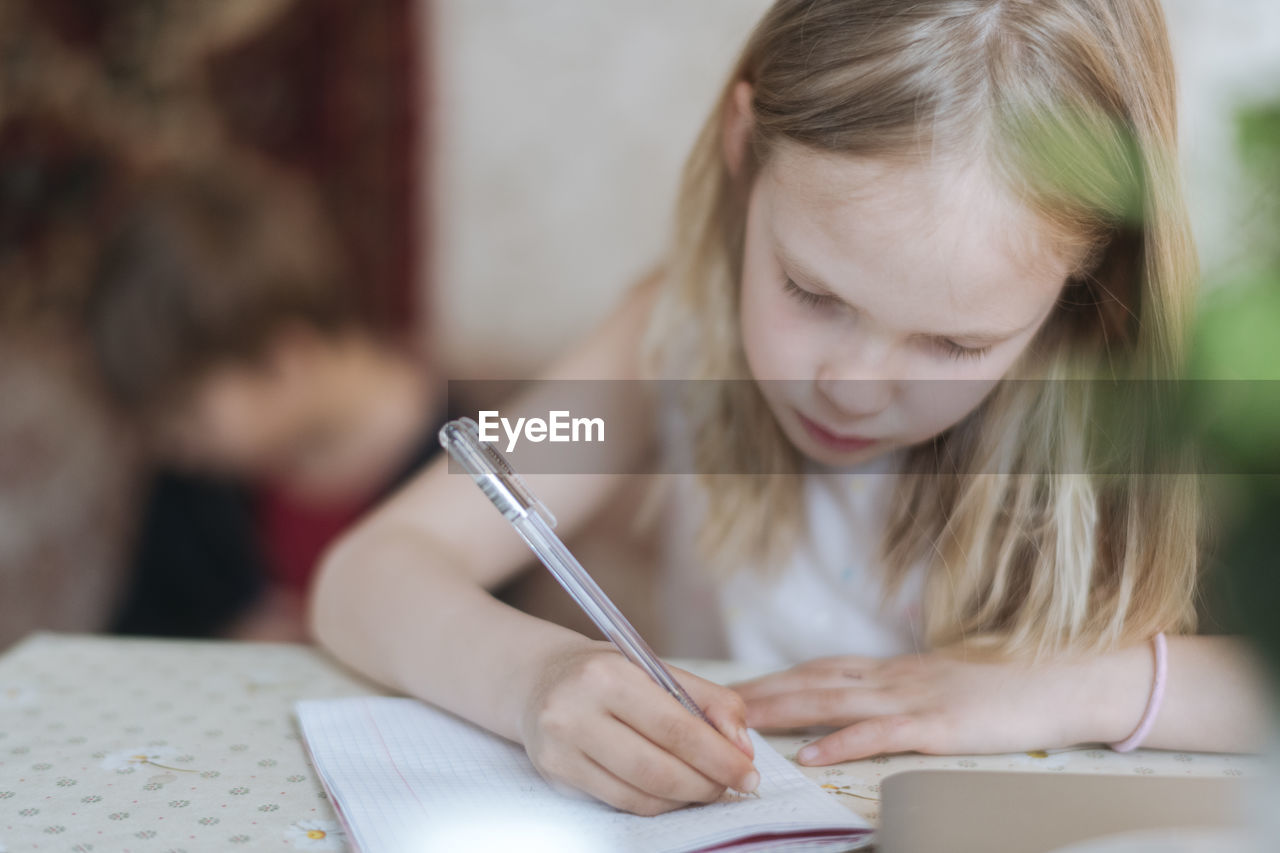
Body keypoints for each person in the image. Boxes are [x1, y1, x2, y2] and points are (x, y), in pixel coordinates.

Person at [311, 0, 1270, 817]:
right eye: (813, 292)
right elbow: (368, 571)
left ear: (1084, 279)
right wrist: (530, 678)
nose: (852, 385)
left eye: (952, 344)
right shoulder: (667, 349)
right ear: (742, 146)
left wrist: (1081, 688)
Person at [85, 164, 444, 642]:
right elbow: (133, 641)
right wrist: (229, 642)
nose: (173, 444)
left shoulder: (459, 454)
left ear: (285, 361)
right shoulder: (194, 488)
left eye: (186, 414)